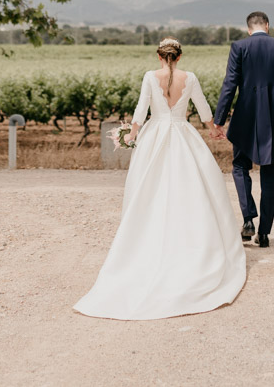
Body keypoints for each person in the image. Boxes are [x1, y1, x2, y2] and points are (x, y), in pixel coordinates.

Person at [74, 37, 246, 320]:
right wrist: (214, 129)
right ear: (179, 57)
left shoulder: (149, 77)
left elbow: (141, 110)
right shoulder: (189, 78)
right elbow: (203, 108)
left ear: (159, 57)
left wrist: (131, 134)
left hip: (155, 136)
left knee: (150, 189)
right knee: (191, 189)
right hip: (182, 134)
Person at [211, 11, 274, 248]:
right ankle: (264, 233)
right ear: (267, 25)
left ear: (248, 29)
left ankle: (248, 219)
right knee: (270, 175)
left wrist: (219, 119)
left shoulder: (239, 47)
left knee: (239, 166)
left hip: (245, 119)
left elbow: (230, 84)